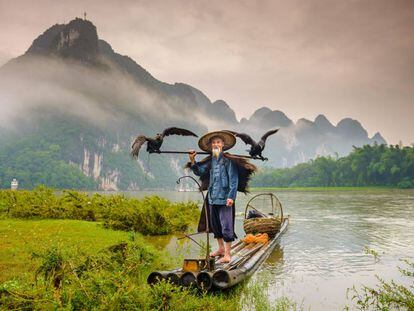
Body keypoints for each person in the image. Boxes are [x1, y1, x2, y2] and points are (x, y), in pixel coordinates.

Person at [188, 131, 245, 263]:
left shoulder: (228, 161)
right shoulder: (211, 161)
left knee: (226, 226)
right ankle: (220, 249)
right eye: (213, 142)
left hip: (225, 199)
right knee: (216, 225)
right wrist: (192, 160)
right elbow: (199, 171)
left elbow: (234, 180)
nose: (216, 144)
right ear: (211, 146)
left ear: (223, 145)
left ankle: (227, 255)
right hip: (212, 198)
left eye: (218, 142)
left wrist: (231, 197)